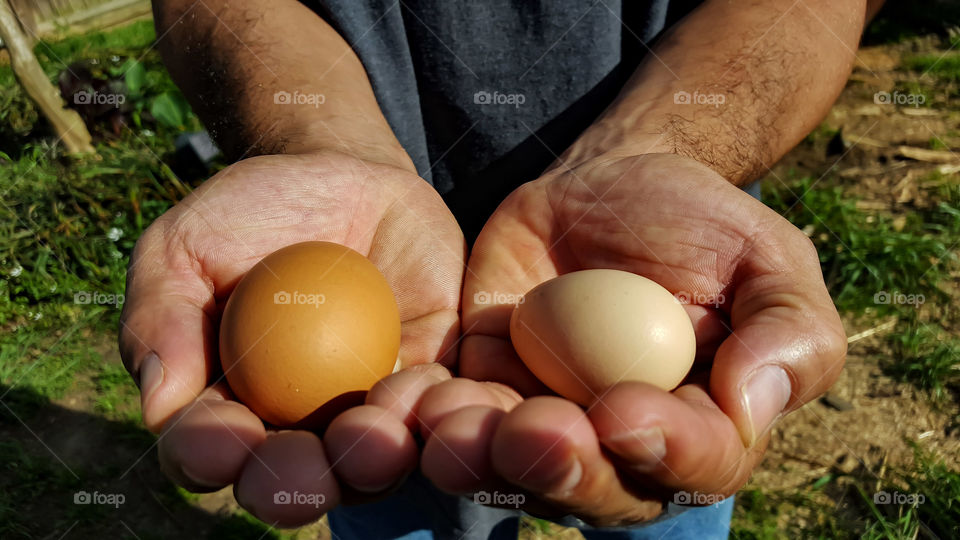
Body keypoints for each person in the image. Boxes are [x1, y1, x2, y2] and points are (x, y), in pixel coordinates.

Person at [119, 0, 882, 537]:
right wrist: (314, 136)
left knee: (665, 492)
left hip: (660, 263)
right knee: (379, 483)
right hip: (379, 372)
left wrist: (670, 146)